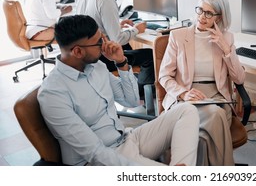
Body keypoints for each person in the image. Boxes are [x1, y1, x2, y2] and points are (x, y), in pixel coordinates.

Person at [37, 14, 200, 166]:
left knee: (186, 110)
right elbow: (95, 153)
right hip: (101, 162)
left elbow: (131, 101)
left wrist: (121, 62)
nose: (105, 45)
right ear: (78, 51)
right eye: (99, 42)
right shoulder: (53, 93)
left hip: (126, 139)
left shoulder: (96, 66)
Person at [158, 0, 245, 166]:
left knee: (209, 123)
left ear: (219, 18)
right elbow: (164, 76)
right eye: (200, 10)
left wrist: (225, 48)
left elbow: (239, 79)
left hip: (216, 98)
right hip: (186, 98)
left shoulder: (226, 38)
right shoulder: (178, 36)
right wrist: (183, 93)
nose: (201, 17)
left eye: (208, 13)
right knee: (202, 135)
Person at [75, 0, 154, 95]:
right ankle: (138, 95)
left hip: (85, 56)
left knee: (128, 48)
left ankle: (132, 86)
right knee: (150, 55)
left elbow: (92, 25)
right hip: (103, 57)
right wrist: (137, 29)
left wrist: (116, 25)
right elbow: (117, 40)